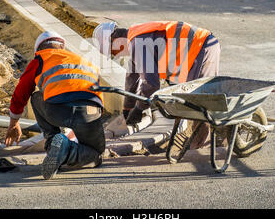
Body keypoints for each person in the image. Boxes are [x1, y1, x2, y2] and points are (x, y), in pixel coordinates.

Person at [93, 20, 221, 148]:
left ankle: (199, 145)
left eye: (113, 52)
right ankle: (221, 132)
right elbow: (132, 78)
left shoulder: (137, 43)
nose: (117, 55)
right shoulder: (136, 37)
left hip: (201, 46)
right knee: (198, 100)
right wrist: (127, 108)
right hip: (200, 46)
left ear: (114, 40)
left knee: (199, 101)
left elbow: (151, 84)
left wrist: (139, 109)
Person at [5, 31, 105, 180]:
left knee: (36, 97)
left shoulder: (41, 59)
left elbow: (21, 92)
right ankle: (68, 151)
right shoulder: (83, 60)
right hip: (90, 112)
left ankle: (55, 144)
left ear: (38, 50)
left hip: (58, 109)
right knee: (96, 154)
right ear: (62, 47)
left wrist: (14, 122)